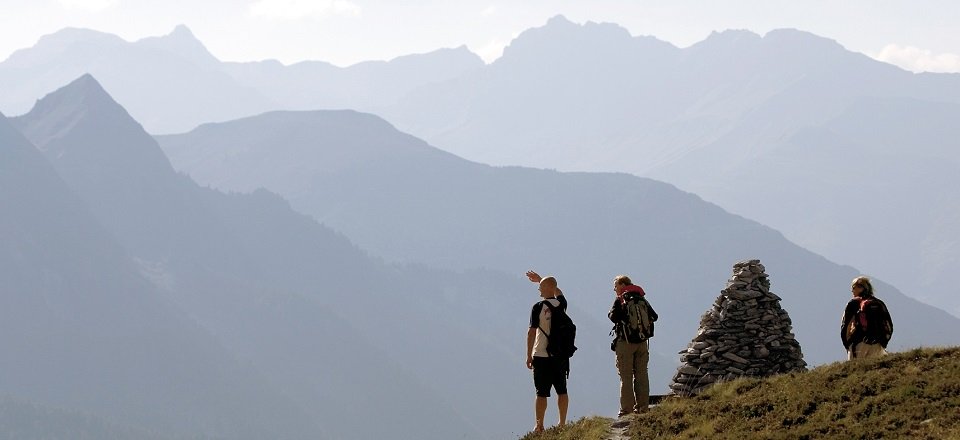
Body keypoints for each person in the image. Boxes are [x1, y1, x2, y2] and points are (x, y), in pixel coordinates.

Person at [525, 270, 568, 434]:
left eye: (541, 287)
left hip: (541, 355)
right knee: (562, 390)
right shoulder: (561, 304)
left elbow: (531, 332)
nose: (539, 290)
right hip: (559, 355)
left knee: (541, 392)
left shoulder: (538, 307)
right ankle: (562, 423)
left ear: (546, 288)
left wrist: (528, 355)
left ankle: (539, 425)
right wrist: (541, 280)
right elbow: (559, 291)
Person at [608, 274, 657, 417]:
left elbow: (613, 317)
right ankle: (643, 407)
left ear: (623, 285)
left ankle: (627, 410)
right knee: (642, 374)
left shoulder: (621, 299)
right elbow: (654, 316)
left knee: (626, 376)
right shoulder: (642, 298)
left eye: (616, 285)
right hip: (642, 343)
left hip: (626, 343)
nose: (614, 289)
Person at [841, 276, 894, 360]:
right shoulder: (879, 303)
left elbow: (845, 325)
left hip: (858, 343)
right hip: (877, 344)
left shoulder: (853, 304)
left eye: (853, 287)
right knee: (874, 370)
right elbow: (889, 325)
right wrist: (883, 342)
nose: (852, 290)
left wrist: (847, 345)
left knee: (857, 370)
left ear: (860, 288)